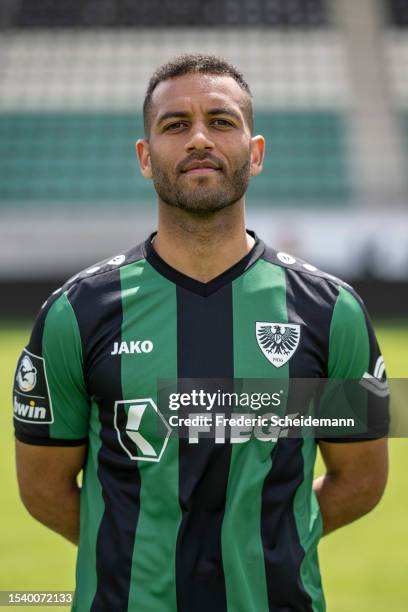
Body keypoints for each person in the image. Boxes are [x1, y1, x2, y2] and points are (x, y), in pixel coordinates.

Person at [13, 54, 388, 612]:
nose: (197, 139)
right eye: (174, 124)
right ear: (145, 158)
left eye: (220, 121)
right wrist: (147, 549)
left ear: (255, 153)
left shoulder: (332, 311)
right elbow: (42, 489)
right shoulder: (76, 312)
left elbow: (360, 478)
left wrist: (259, 543)